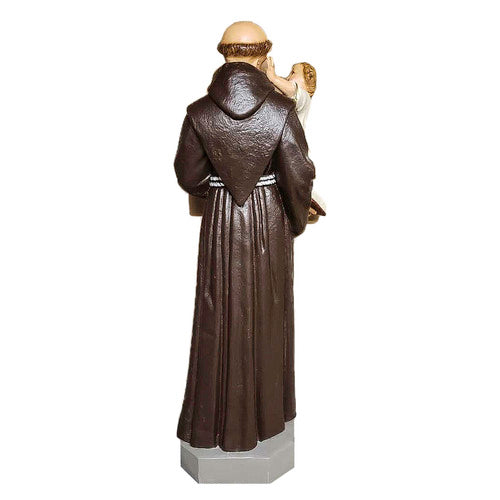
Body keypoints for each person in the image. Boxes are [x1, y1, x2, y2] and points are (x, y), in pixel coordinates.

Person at [174, 21, 315, 452]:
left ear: (224, 54)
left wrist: (221, 190)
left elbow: (188, 175)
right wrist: (297, 216)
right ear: (263, 56)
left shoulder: (198, 111)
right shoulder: (281, 109)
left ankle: (210, 425)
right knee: (268, 314)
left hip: (220, 221)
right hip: (269, 219)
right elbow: (298, 172)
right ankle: (266, 419)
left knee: (217, 313)